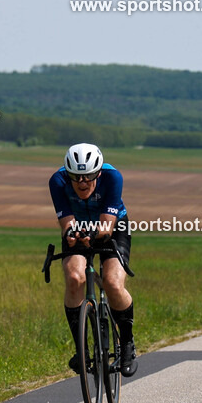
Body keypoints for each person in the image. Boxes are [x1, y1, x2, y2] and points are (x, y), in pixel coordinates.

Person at [48, 143, 137, 377]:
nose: (82, 182)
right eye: (75, 177)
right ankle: (81, 349)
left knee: (113, 282)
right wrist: (71, 234)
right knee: (74, 277)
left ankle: (127, 343)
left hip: (112, 228)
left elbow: (107, 227)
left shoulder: (112, 177)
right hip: (79, 228)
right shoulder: (57, 181)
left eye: (87, 176)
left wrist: (93, 233)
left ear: (98, 173)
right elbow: (66, 224)